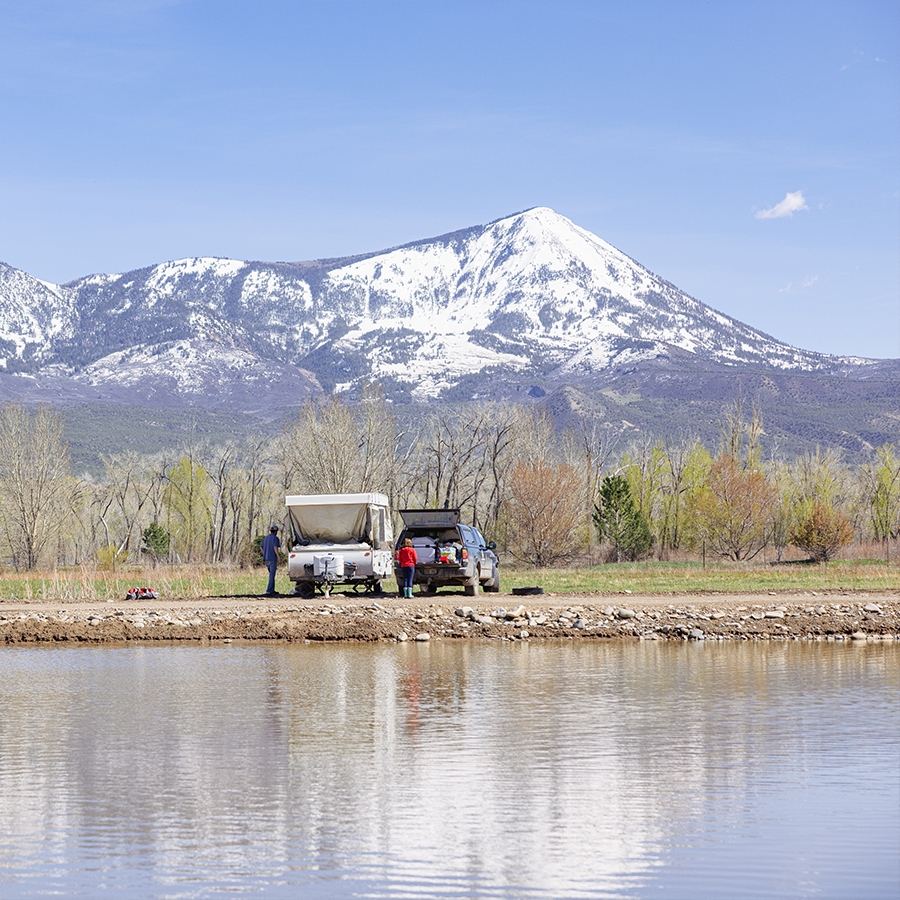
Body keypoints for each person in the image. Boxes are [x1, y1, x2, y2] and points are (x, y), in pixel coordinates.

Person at [261, 525, 281, 596]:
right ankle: (269, 591)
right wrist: (279, 557)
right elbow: (275, 547)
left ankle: (272, 590)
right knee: (272, 575)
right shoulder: (275, 538)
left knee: (271, 575)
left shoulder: (266, 538)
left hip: (266, 559)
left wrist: (265, 554)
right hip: (272, 558)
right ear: (276, 531)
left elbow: (261, 547)